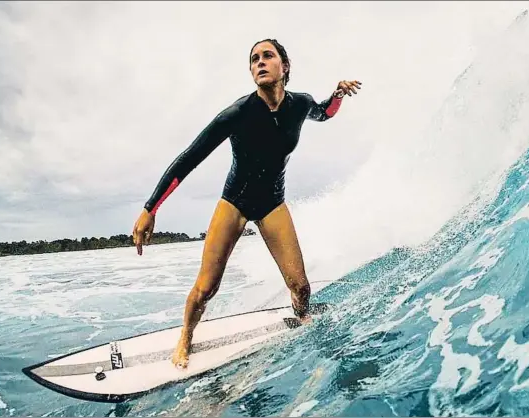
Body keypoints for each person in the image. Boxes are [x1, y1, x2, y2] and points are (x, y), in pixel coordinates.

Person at [131, 38, 362, 369]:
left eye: (268, 56)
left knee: (300, 285)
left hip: (272, 203)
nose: (260, 62)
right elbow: (189, 158)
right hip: (235, 203)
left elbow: (324, 113)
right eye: (254, 59)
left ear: (285, 66)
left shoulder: (299, 104)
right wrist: (150, 208)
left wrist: (338, 93)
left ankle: (303, 319)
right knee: (206, 288)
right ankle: (185, 338)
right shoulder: (237, 114)